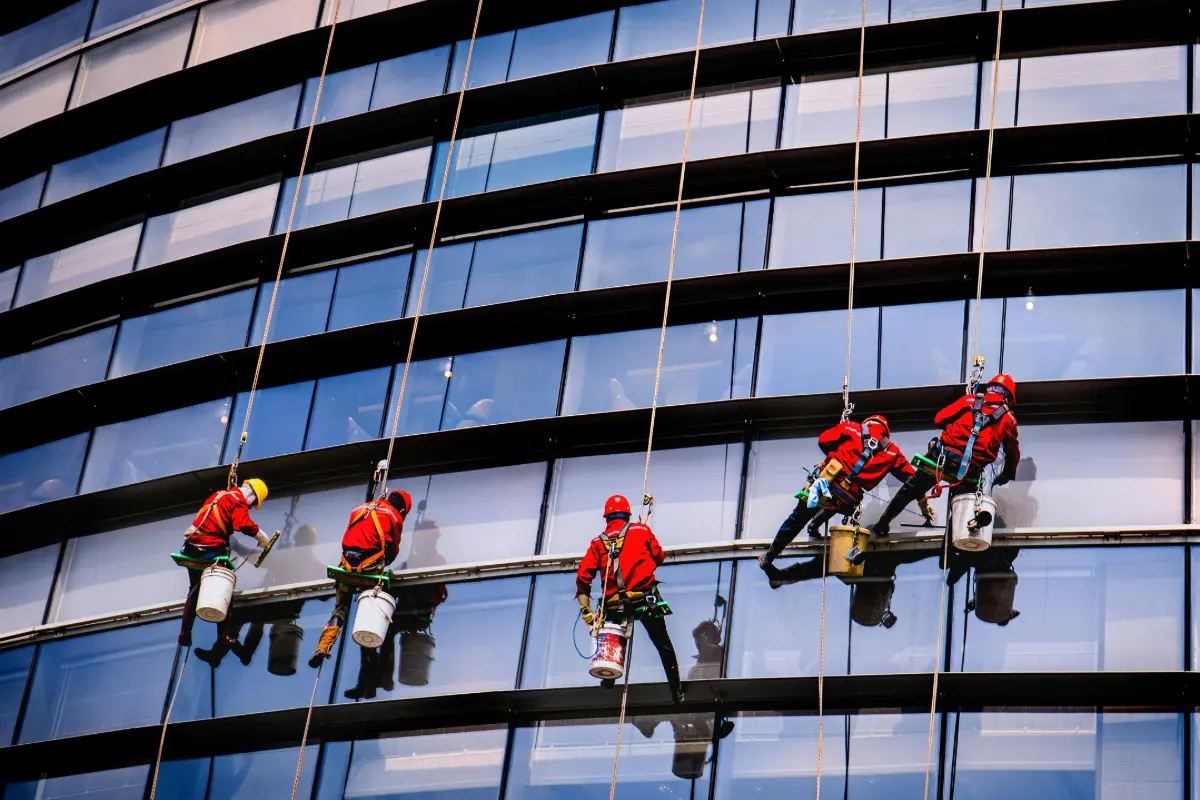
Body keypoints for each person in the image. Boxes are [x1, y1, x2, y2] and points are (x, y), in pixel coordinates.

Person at [759, 415, 926, 570]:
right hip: (848, 500)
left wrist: (834, 456)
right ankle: (814, 525)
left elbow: (823, 440)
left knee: (797, 518)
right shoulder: (892, 451)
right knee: (834, 503)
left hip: (826, 485)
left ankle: (769, 556)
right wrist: (923, 502)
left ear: (868, 423)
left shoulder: (851, 427)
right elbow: (913, 479)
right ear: (886, 432)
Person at [871, 374, 1020, 538]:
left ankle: (883, 522)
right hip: (969, 470)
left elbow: (939, 418)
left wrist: (957, 429)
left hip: (942, 458)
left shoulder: (970, 400)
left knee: (911, 489)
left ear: (990, 388)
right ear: (1008, 398)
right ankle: (957, 542)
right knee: (961, 508)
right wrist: (1006, 475)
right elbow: (1012, 453)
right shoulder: (1009, 419)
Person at [576, 495, 685, 704]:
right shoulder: (641, 531)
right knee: (662, 643)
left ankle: (608, 681)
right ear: (627, 514)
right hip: (644, 600)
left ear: (607, 518)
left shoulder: (598, 543)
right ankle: (677, 690)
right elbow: (659, 558)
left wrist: (586, 610)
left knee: (612, 638)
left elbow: (583, 578)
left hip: (614, 605)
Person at [308, 489, 413, 667]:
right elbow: (393, 550)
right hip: (370, 567)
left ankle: (323, 646)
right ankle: (370, 652)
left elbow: (347, 537)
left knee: (340, 607)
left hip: (346, 565)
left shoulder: (360, 509)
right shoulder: (394, 516)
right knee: (378, 599)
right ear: (402, 511)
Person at [178, 479, 271, 648]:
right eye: (253, 504)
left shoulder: (220, 495)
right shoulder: (238, 500)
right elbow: (242, 523)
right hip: (208, 549)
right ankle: (224, 636)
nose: (250, 507)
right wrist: (261, 536)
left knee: (194, 590)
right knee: (224, 586)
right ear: (252, 496)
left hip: (191, 548)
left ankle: (184, 633)